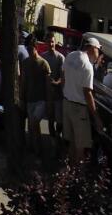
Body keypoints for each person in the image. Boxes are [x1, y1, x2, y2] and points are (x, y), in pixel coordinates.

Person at [63, 37, 104, 165]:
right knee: (80, 146)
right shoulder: (87, 66)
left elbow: (62, 76)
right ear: (93, 48)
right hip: (79, 109)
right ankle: (77, 177)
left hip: (67, 103)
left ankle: (68, 174)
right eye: (98, 50)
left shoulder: (70, 55)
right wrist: (96, 117)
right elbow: (87, 93)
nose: (99, 54)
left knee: (72, 142)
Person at [21, 43, 52, 154]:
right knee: (33, 126)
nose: (29, 51)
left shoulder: (44, 63)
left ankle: (35, 147)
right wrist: (22, 97)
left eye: (31, 49)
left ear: (36, 48)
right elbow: (23, 81)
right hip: (29, 99)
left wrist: (48, 102)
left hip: (41, 100)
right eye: (27, 49)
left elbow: (48, 84)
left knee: (33, 123)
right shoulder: (25, 63)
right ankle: (36, 147)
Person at [42, 39, 65, 138]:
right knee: (50, 119)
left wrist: (56, 83)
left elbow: (63, 76)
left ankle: (57, 135)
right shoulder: (43, 56)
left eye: (52, 41)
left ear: (55, 42)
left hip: (58, 94)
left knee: (59, 121)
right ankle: (52, 139)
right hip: (48, 95)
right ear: (46, 43)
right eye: (49, 42)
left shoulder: (60, 57)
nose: (51, 44)